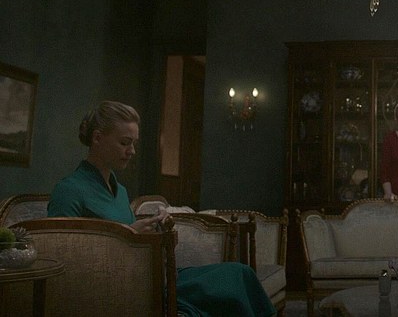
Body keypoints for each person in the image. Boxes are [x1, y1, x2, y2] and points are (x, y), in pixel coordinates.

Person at [48, 101, 276, 317]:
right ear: (97, 138)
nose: (132, 151)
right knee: (229, 285)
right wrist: (131, 234)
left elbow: (132, 236)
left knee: (240, 272)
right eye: (124, 142)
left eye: (134, 143)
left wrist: (157, 229)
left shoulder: (121, 191)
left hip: (152, 274)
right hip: (121, 286)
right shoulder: (69, 190)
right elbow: (62, 258)